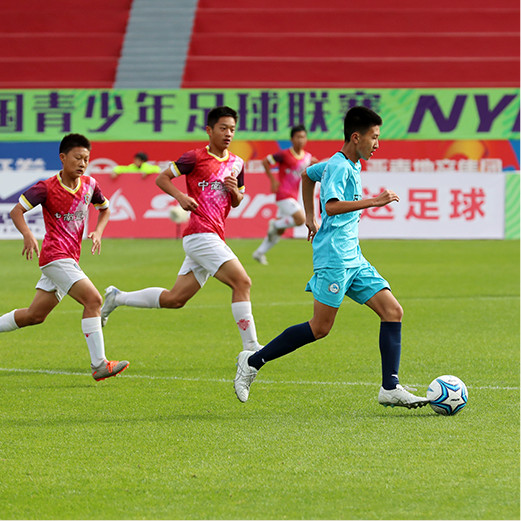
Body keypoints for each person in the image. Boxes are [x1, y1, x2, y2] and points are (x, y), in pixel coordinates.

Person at [234, 106, 430, 409]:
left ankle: (390, 388)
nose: (377, 144)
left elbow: (307, 175)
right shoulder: (339, 166)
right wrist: (374, 201)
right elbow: (333, 206)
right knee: (320, 327)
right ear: (356, 137)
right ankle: (252, 362)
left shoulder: (346, 163)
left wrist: (309, 216)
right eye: (374, 137)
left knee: (392, 311)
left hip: (354, 257)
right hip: (334, 258)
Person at [101, 106, 262, 353]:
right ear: (209, 130)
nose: (228, 133)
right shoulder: (195, 157)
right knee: (242, 282)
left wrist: (234, 191)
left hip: (213, 235)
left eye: (232, 129)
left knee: (175, 299)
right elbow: (162, 178)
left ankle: (117, 297)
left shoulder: (237, 163)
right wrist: (180, 197)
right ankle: (251, 348)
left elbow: (238, 200)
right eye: (223, 128)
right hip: (200, 234)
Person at [0, 133, 129, 381]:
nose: (82, 163)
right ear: (63, 157)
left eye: (86, 159)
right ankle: (99, 365)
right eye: (77, 157)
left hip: (69, 259)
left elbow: (105, 210)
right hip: (54, 257)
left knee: (35, 315)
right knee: (94, 300)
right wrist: (27, 235)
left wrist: (98, 232)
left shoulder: (90, 185)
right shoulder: (46, 187)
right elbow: (16, 211)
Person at [252, 125, 317, 265]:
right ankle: (274, 224)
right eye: (298, 137)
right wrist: (273, 180)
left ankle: (259, 253)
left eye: (303, 137)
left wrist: (316, 166)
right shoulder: (284, 154)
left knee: (279, 231)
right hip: (283, 193)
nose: (301, 140)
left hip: (293, 195)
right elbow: (265, 161)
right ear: (292, 139)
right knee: (300, 219)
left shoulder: (308, 157)